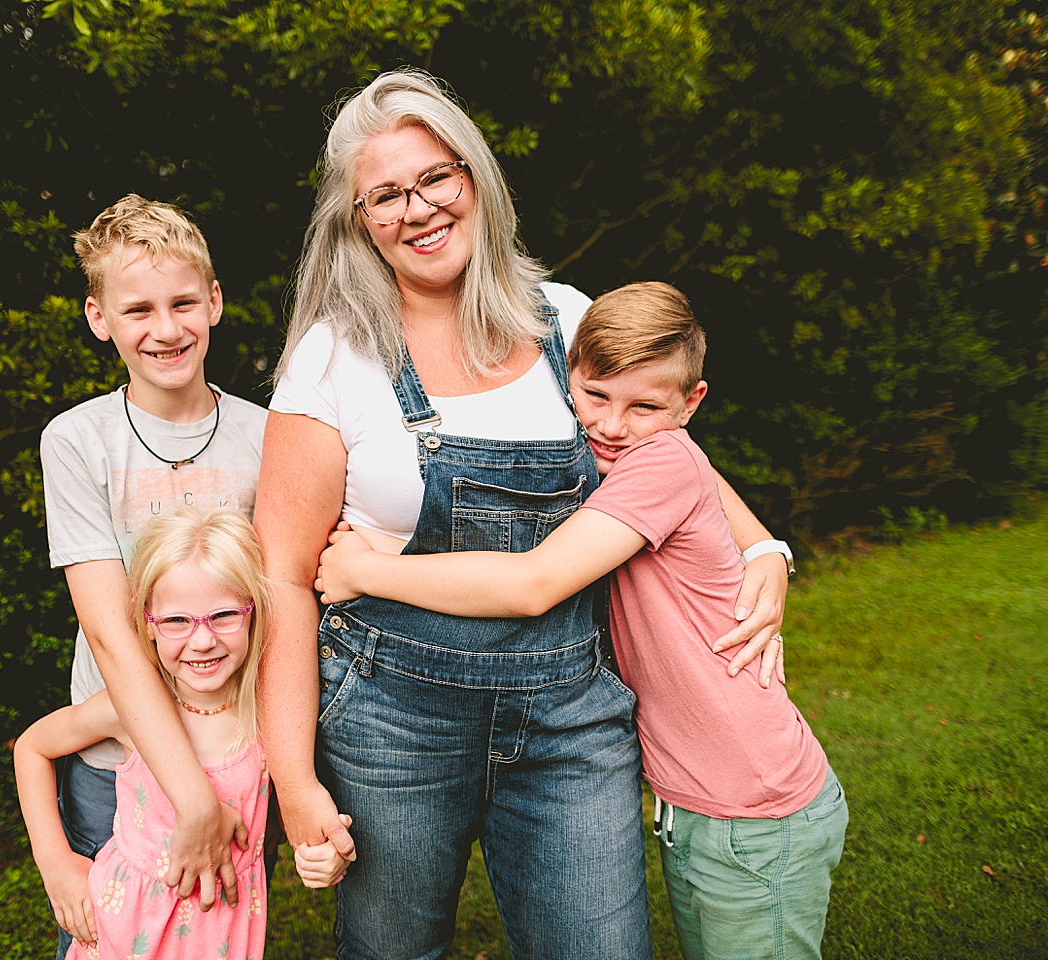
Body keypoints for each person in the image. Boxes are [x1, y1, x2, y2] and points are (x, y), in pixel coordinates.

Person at [252, 67, 793, 960]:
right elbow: (282, 577)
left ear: (474, 179)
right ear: (359, 221)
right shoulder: (333, 356)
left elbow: (663, 460)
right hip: (395, 719)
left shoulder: (568, 322)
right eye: (386, 194)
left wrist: (763, 545)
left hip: (572, 714)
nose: (417, 207)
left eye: (436, 177)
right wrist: (295, 775)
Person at [316, 282, 848, 960]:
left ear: (692, 404)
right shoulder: (622, 463)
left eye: (644, 406)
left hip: (753, 803)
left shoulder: (658, 462)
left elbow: (535, 582)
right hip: (705, 801)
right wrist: (767, 545)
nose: (611, 425)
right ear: (567, 375)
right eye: (596, 396)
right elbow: (499, 548)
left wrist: (367, 572)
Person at [38, 195, 270, 959]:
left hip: (234, 757)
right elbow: (109, 629)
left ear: (215, 301)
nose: (165, 330)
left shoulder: (269, 436)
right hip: (116, 766)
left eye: (182, 303)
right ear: (98, 316)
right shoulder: (78, 440)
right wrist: (185, 795)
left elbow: (279, 606)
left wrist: (220, 788)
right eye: (137, 309)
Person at [16, 507, 344, 960]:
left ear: (254, 611)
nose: (202, 640)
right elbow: (32, 747)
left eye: (224, 614)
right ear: (145, 623)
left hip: (224, 932)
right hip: (127, 931)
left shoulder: (270, 714)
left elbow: (307, 822)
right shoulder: (133, 711)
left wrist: (325, 858)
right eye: (176, 621)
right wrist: (55, 862)